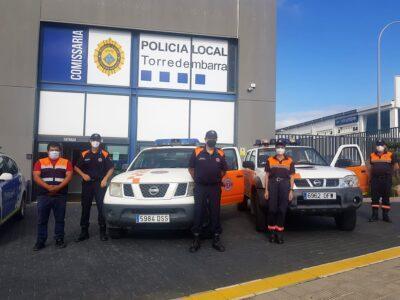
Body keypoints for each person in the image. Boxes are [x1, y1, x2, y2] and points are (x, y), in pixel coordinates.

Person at [188, 130, 228, 252]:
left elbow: (224, 170)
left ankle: (216, 238)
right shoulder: (197, 151)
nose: (212, 140)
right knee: (199, 211)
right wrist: (198, 179)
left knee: (215, 211)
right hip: (200, 187)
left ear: (216, 139)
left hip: (215, 187)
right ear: (205, 139)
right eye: (210, 138)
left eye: (214, 138)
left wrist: (216, 178)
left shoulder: (220, 153)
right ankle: (196, 238)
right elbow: (191, 168)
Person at [32, 142, 73, 251]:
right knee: (42, 220)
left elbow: (69, 176)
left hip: (60, 196)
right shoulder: (40, 162)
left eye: (56, 150)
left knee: (60, 219)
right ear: (48, 151)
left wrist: (57, 187)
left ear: (60, 151)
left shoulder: (66, 162)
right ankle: (40, 241)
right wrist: (48, 187)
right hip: (44, 196)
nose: (54, 152)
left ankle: (59, 239)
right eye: (52, 150)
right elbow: (36, 176)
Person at [74, 133, 114, 241]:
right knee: (85, 207)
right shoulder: (84, 154)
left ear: (100, 141)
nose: (95, 142)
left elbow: (111, 168)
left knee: (101, 208)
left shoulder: (104, 154)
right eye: (93, 140)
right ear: (90, 141)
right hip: (87, 184)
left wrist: (105, 179)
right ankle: (84, 231)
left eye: (97, 140)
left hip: (99, 184)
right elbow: (76, 167)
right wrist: (83, 175)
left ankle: (102, 231)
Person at [264, 139, 295, 244]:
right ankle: (272, 232)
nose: (280, 149)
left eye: (282, 147)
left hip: (285, 186)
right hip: (272, 185)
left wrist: (291, 190)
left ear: (285, 148)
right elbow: (267, 176)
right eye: (278, 147)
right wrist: (266, 190)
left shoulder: (290, 161)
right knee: (272, 209)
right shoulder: (270, 160)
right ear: (275, 148)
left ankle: (279, 233)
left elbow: (291, 177)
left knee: (282, 210)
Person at [368, 139, 398, 223]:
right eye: (377, 145)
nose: (379, 147)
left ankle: (385, 216)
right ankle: (375, 215)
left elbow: (396, 166)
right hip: (375, 179)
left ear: (385, 146)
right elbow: (370, 168)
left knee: (386, 197)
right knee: (374, 198)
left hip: (386, 179)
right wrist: (369, 179)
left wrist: (392, 175)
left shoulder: (391, 155)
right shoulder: (372, 155)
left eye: (381, 145)